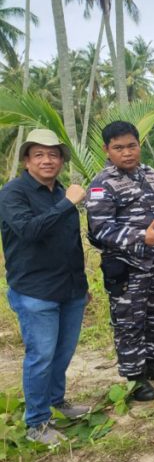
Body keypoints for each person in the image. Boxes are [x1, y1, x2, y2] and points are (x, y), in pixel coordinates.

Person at [0, 129, 90, 445]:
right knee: (40, 356)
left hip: (70, 290)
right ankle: (36, 423)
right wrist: (68, 204)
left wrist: (82, 285)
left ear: (62, 161)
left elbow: (70, 243)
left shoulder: (59, 192)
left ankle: (57, 402)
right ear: (27, 160)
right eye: (39, 154)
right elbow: (28, 231)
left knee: (62, 354)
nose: (47, 160)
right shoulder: (13, 193)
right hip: (35, 291)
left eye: (53, 154)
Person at [86, 121, 154, 402]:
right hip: (127, 268)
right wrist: (141, 237)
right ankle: (134, 377)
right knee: (129, 323)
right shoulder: (102, 184)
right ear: (106, 150)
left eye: (131, 146)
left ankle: (151, 363)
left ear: (139, 145)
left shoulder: (151, 175)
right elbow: (100, 230)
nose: (126, 153)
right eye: (118, 148)